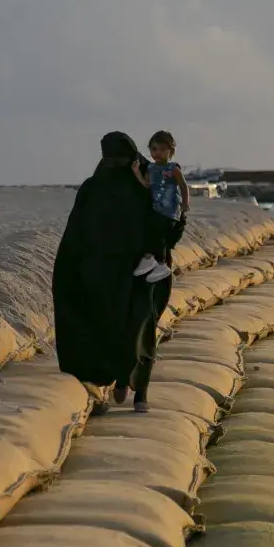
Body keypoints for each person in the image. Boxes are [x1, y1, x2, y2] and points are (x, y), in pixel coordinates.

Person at [53, 132, 172, 413]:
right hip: (103, 274)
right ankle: (103, 388)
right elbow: (76, 233)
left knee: (135, 327)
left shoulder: (138, 186)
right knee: (117, 328)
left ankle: (133, 388)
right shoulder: (98, 188)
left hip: (132, 272)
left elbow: (164, 220)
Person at [131, 130, 189, 283]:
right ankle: (150, 260)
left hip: (170, 211)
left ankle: (160, 264)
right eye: (154, 149)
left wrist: (185, 203)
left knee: (158, 236)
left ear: (171, 151)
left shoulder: (173, 168)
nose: (158, 153)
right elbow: (146, 185)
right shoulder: (150, 168)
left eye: (162, 150)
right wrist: (137, 172)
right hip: (156, 209)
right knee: (150, 232)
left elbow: (183, 186)